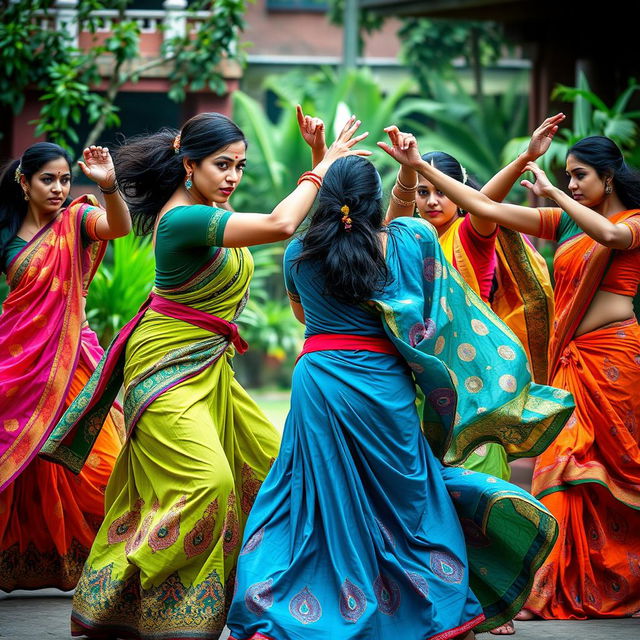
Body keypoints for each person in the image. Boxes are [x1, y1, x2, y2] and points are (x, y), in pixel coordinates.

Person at [225, 130, 575, 639]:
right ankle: (426, 601)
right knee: (405, 496)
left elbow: (306, 317)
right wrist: (408, 170)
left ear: (325, 199)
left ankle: (288, 601)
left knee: (311, 495)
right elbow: (414, 266)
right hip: (383, 388)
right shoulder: (410, 244)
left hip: (319, 383)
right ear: (374, 201)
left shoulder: (298, 253)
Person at [41, 111, 370, 639]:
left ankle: (266, 601)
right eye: (222, 165)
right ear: (188, 165)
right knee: (206, 482)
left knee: (271, 471)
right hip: (166, 368)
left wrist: (315, 158)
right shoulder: (181, 221)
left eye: (240, 165)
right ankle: (138, 589)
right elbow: (281, 225)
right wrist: (326, 165)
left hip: (212, 367)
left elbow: (290, 222)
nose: (233, 177)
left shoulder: (209, 206)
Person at [386, 133, 640, 620]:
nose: (570, 182)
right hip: (572, 361)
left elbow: (608, 237)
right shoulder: (565, 224)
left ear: (608, 178)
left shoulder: (630, 223)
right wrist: (419, 166)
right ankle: (547, 588)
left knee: (614, 474)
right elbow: (485, 206)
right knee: (562, 465)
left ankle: (612, 578)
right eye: (567, 175)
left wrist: (552, 192)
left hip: (615, 360)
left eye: (579, 175)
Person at [0, 142, 130, 591]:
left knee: (102, 465)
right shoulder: (6, 236)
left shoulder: (77, 222)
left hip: (74, 360)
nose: (58, 188)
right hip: (17, 363)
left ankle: (118, 560)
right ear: (24, 183)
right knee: (23, 468)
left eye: (64, 179)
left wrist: (107, 184)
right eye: (47, 179)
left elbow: (119, 226)